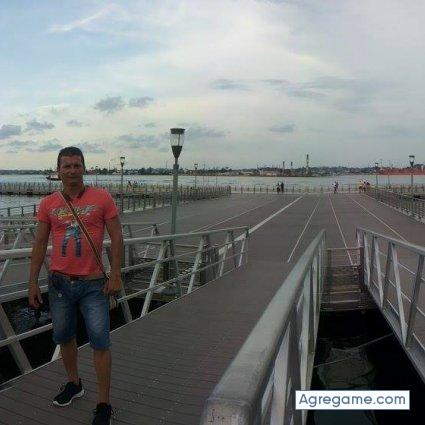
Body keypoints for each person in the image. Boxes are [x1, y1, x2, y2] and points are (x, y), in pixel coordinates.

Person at [28, 146, 123, 425]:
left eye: (76, 165)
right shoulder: (48, 203)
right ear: (58, 171)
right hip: (59, 284)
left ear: (84, 168)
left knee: (100, 342)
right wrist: (33, 282)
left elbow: (117, 236)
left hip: (94, 284)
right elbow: (39, 244)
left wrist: (116, 274)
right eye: (66, 166)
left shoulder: (102, 197)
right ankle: (74, 383)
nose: (72, 170)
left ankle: (103, 404)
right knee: (64, 336)